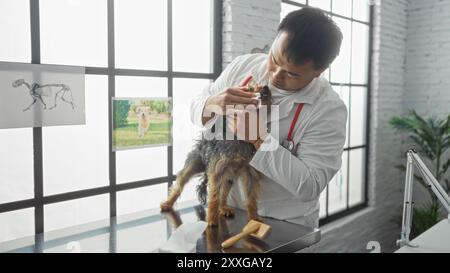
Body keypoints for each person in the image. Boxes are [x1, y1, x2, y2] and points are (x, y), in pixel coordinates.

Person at [190, 7, 347, 229]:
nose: (275, 75)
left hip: (284, 224)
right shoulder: (244, 65)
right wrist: (211, 104)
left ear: (319, 71)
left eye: (292, 73)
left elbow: (309, 186)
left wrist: (259, 140)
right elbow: (196, 108)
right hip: (228, 212)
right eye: (274, 58)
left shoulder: (328, 110)